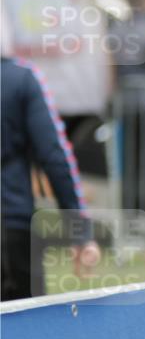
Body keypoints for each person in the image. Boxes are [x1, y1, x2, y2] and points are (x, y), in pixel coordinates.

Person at [2, 57, 99, 300]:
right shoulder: (21, 78)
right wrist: (79, 231)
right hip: (10, 228)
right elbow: (54, 155)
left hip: (12, 223)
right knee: (25, 322)